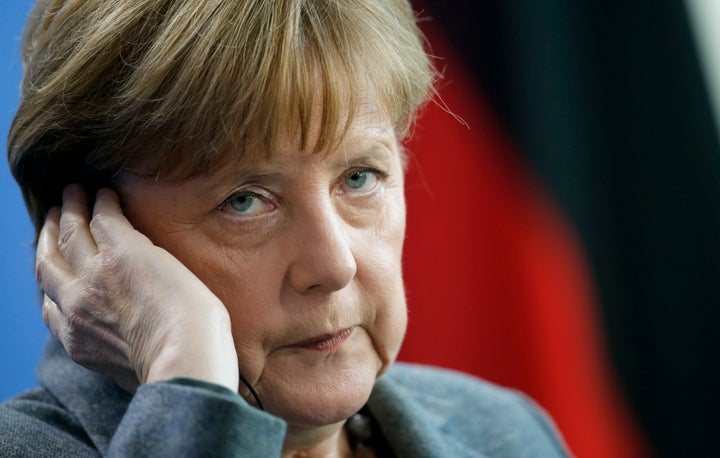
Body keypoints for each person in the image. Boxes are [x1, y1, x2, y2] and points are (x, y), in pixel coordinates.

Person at [0, 0, 570, 456]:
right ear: (93, 237)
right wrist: (187, 382)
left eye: (360, 177)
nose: (334, 265)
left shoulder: (504, 432)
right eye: (244, 201)